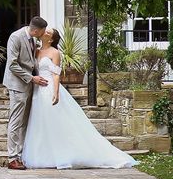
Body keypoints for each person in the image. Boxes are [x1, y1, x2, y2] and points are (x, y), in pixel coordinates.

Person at [22, 26, 138, 169]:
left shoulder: (55, 52)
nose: (44, 32)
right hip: (37, 91)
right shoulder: (37, 50)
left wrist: (56, 92)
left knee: (55, 123)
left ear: (51, 38)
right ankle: (44, 155)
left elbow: (56, 74)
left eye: (48, 32)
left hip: (49, 89)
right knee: (40, 123)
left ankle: (63, 154)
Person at [2, 16, 49, 170]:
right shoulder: (16, 37)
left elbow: (32, 62)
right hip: (17, 85)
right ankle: (12, 158)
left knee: (24, 121)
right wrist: (32, 78)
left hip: (29, 85)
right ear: (36, 30)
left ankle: (20, 155)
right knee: (15, 121)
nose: (43, 34)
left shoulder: (33, 40)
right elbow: (12, 65)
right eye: (42, 32)